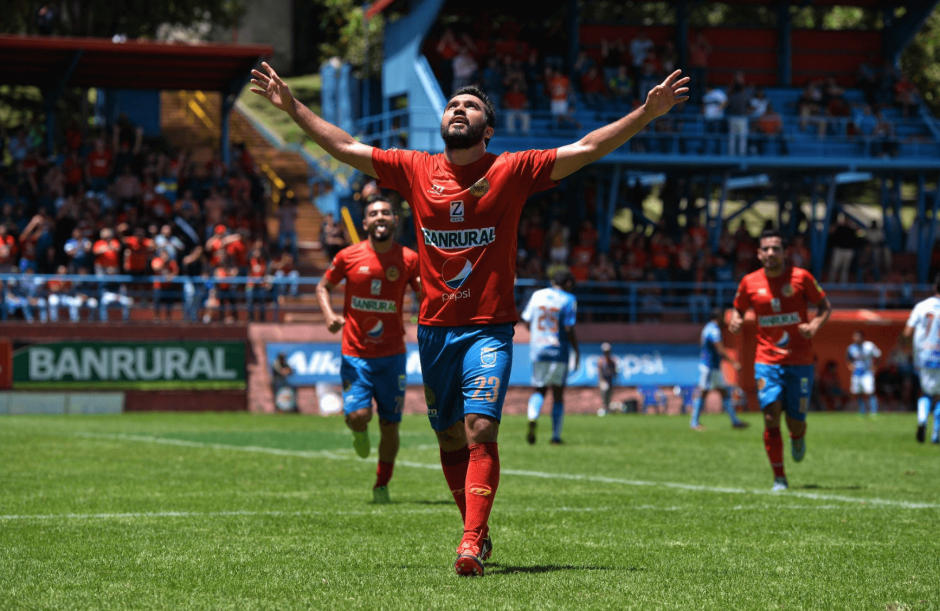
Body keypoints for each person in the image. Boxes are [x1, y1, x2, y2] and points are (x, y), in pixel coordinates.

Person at [251, 59, 688, 576]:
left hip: (488, 328)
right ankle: (476, 527)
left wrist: (645, 113)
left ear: (488, 128)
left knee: (479, 427)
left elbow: (587, 148)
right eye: (453, 105)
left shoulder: (513, 170)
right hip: (434, 331)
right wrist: (293, 108)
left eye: (471, 106)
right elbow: (346, 148)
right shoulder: (415, 169)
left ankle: (469, 541)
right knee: (449, 438)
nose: (458, 109)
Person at [316, 197, 422, 504]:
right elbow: (322, 287)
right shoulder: (348, 256)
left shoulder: (408, 258)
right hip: (356, 354)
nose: (380, 217)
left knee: (390, 426)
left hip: (393, 355)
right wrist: (329, 316)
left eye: (386, 212)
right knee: (359, 416)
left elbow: (424, 295)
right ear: (365, 223)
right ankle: (358, 430)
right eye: (374, 213)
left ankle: (381, 485)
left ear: (394, 220)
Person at [729, 229, 831, 491]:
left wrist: (814, 325)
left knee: (795, 421)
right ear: (759, 254)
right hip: (767, 361)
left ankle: (798, 435)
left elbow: (824, 306)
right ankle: (779, 477)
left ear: (785, 253)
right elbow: (738, 308)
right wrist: (736, 320)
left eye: (776, 248)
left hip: (800, 361)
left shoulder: (801, 278)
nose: (771, 252)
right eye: (766, 248)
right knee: (770, 415)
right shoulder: (749, 282)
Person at [520, 269, 579, 445]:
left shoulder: (537, 295)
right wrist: (576, 350)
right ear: (568, 283)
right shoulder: (569, 299)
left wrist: (537, 334)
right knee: (558, 394)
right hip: (558, 351)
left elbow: (527, 320)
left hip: (538, 350)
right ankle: (555, 436)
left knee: (539, 390)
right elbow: (568, 327)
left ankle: (532, 417)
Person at [691, 309, 748, 430]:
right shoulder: (714, 329)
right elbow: (720, 348)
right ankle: (694, 423)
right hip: (709, 367)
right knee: (703, 393)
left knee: (723, 392)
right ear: (719, 317)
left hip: (712, 367)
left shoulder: (707, 328)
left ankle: (735, 421)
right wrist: (733, 363)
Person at [902, 277, 940, 444]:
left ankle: (922, 419)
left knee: (926, 393)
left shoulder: (921, 306)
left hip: (924, 357)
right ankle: (936, 434)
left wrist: (906, 349)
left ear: (934, 287)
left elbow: (907, 332)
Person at [846, 330, 882, 416]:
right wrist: (850, 366)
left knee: (870, 391)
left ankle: (874, 411)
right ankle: (862, 411)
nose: (857, 338)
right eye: (855, 336)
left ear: (862, 337)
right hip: (856, 373)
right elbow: (848, 358)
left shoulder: (869, 346)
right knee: (858, 392)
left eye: (858, 336)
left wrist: (875, 366)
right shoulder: (851, 348)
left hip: (867, 372)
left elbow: (878, 355)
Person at [597, 342, 617, 415]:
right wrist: (601, 380)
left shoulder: (612, 361)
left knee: (609, 396)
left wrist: (614, 375)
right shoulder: (601, 361)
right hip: (604, 380)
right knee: (604, 395)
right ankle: (604, 408)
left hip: (610, 380)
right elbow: (599, 372)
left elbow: (614, 371)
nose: (607, 353)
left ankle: (608, 409)